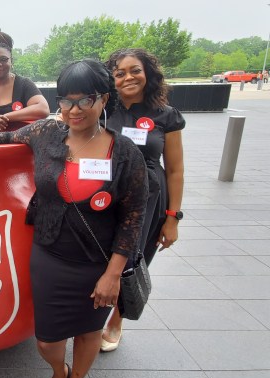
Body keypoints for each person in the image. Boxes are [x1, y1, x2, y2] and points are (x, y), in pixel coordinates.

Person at [0, 59, 148, 378]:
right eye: (65, 101)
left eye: (83, 100)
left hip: (98, 264)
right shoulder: (49, 133)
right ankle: (58, 370)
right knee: (47, 340)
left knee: (88, 333)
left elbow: (133, 219)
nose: (72, 110)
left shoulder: (125, 154)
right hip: (50, 253)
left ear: (103, 99)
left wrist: (113, 275)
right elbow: (5, 137)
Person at [102, 48, 185, 352]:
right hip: (109, 191)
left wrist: (173, 217)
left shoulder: (166, 115)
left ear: (148, 72)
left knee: (133, 258)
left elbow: (175, 170)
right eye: (119, 72)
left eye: (134, 70)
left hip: (150, 196)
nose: (128, 77)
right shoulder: (104, 109)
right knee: (102, 254)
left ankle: (117, 321)